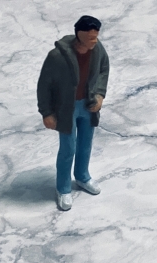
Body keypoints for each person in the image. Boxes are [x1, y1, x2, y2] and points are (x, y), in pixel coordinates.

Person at [37, 15, 110, 211]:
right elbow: (44, 85)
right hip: (66, 108)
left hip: (88, 106)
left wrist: (100, 95)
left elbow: (104, 69)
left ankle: (82, 176)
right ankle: (63, 187)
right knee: (68, 148)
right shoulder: (57, 57)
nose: (95, 41)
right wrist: (47, 112)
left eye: (96, 37)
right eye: (91, 38)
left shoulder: (98, 50)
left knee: (85, 145)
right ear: (80, 34)